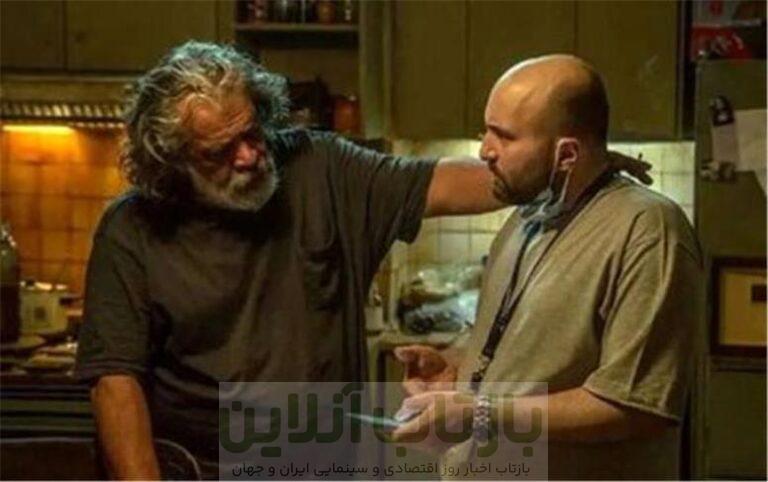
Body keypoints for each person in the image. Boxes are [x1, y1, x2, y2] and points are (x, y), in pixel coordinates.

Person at [74, 43, 650, 480]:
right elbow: (115, 383)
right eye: (219, 152)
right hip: (201, 468)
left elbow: (455, 183)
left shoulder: (319, 168)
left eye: (252, 132)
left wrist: (572, 165)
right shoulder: (132, 229)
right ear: (172, 161)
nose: (249, 156)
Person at [392, 55, 703, 480]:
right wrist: (459, 371)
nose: (484, 151)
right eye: (486, 131)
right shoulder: (528, 217)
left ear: (566, 154)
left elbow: (636, 407)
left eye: (504, 136)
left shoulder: (648, 231)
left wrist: (481, 413)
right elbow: (533, 347)